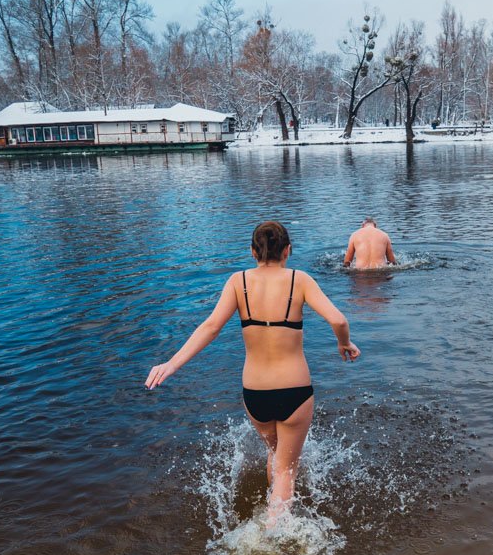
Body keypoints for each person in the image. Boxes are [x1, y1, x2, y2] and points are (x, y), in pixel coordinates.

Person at [145, 221, 360, 522]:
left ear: (252, 252)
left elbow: (210, 327)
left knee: (275, 452)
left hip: (255, 394)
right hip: (294, 390)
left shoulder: (238, 281)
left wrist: (171, 363)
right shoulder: (300, 280)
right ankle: (272, 534)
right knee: (287, 469)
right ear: (288, 250)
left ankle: (271, 508)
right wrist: (344, 343)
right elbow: (338, 320)